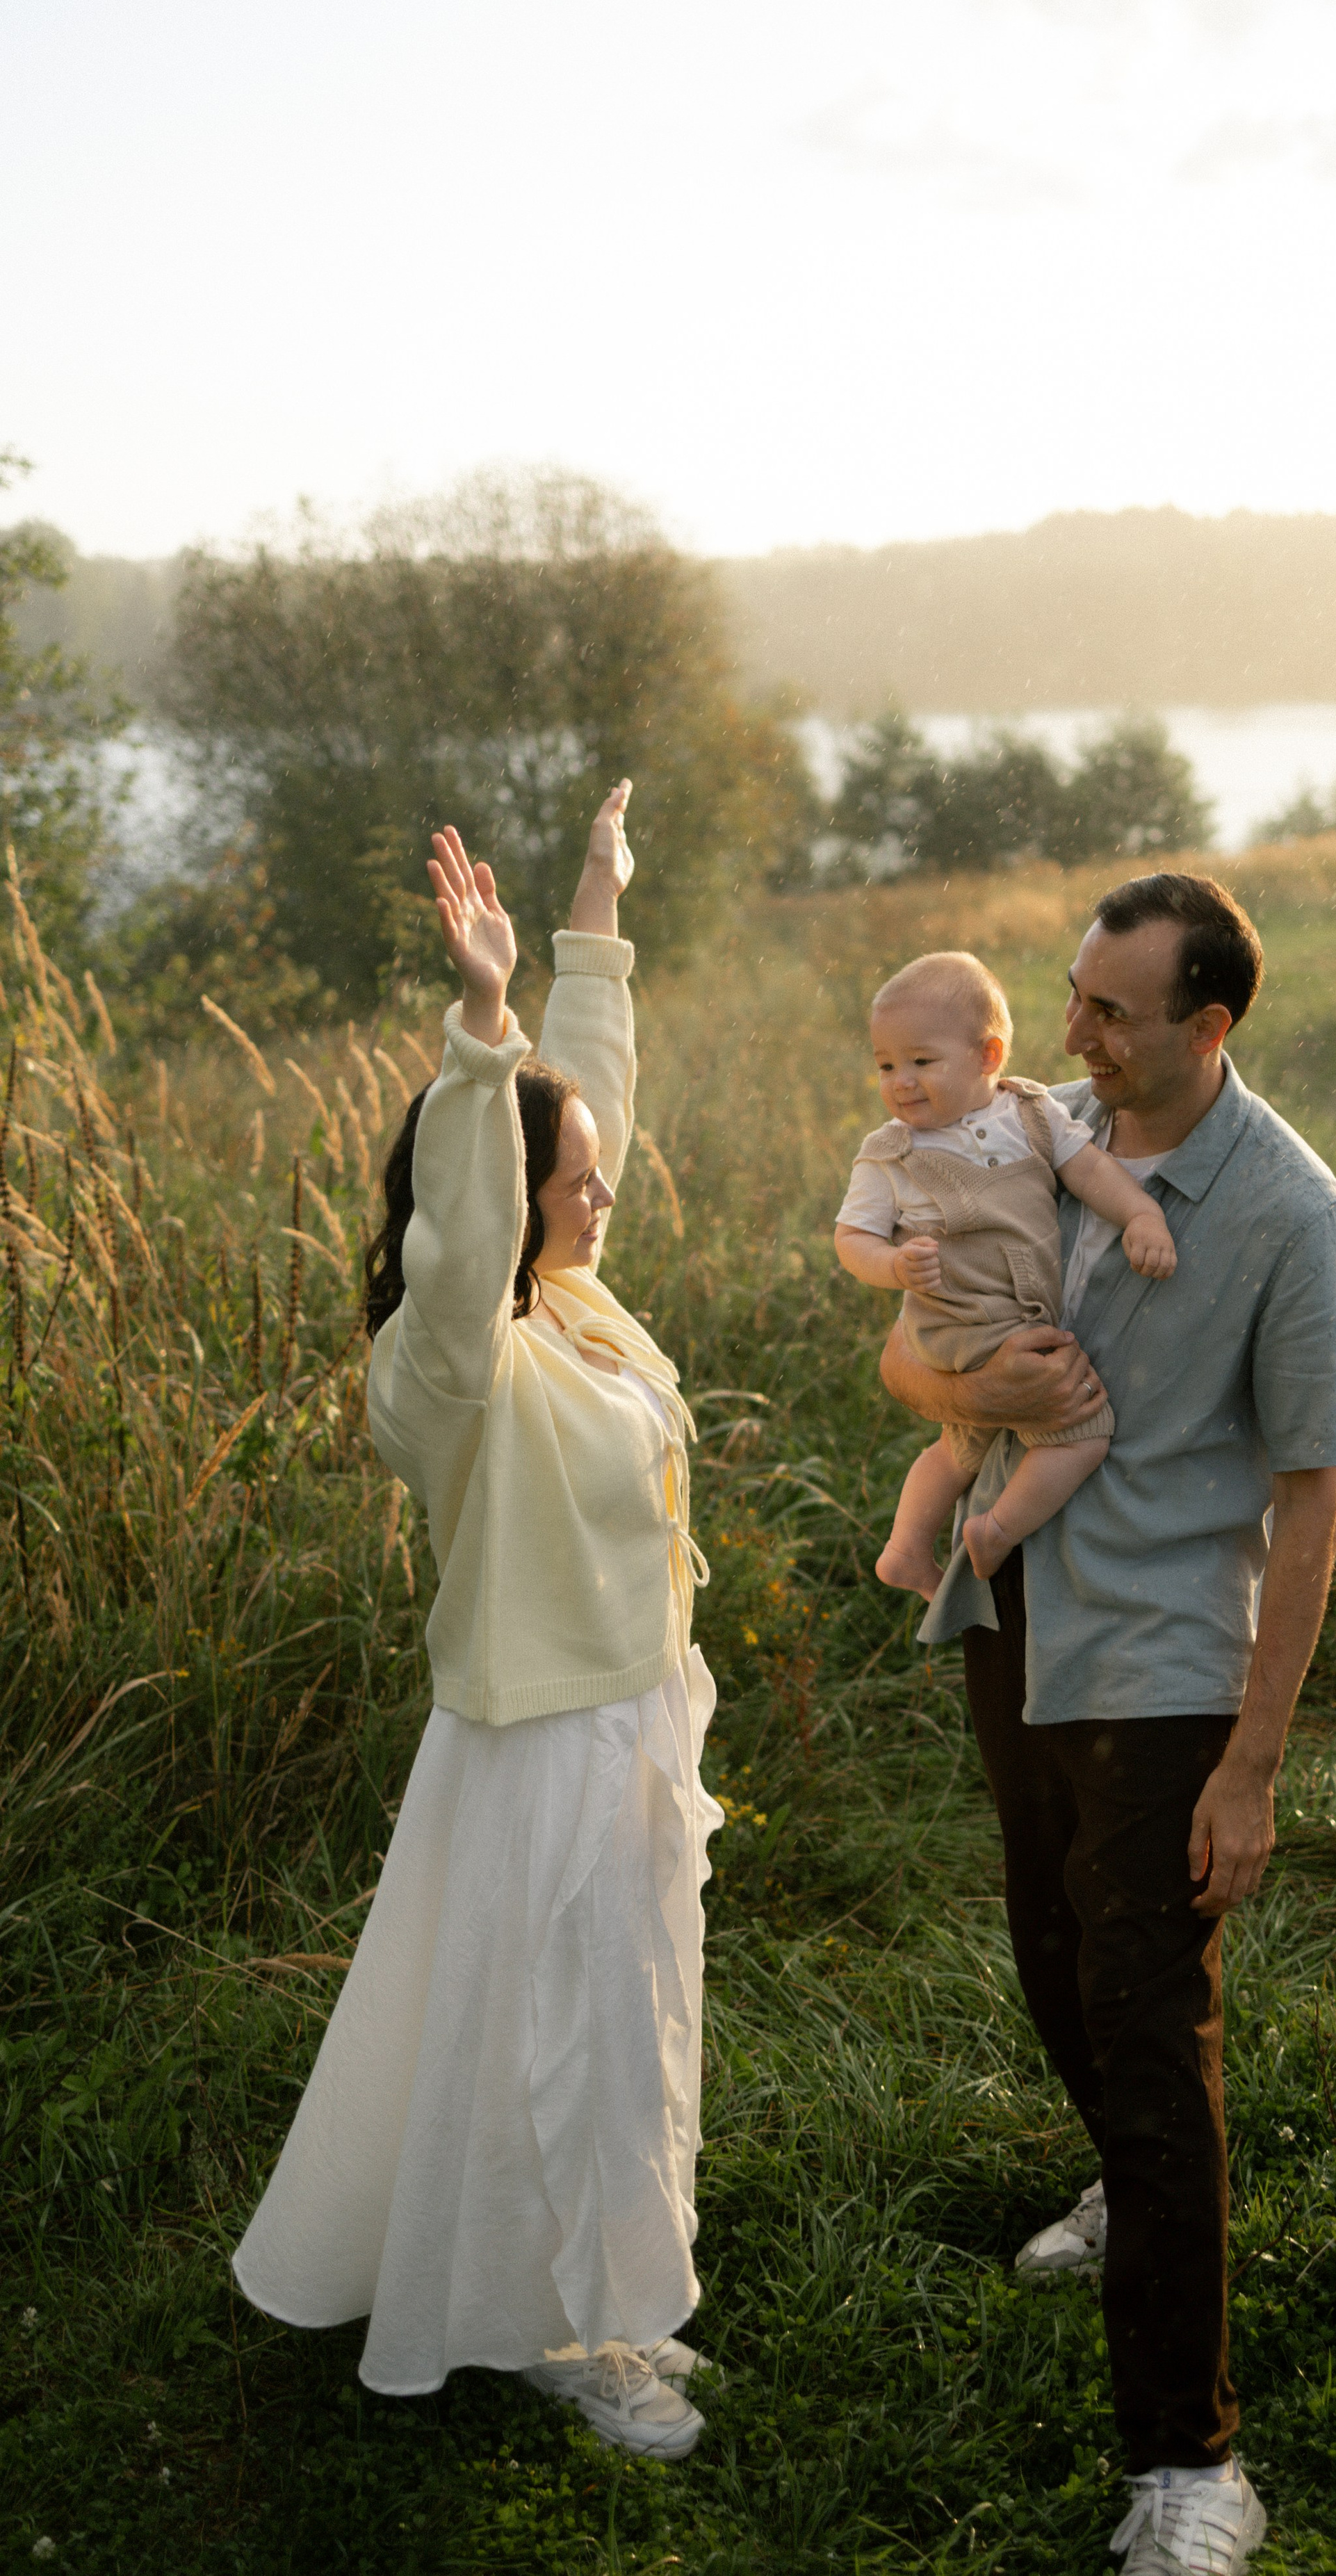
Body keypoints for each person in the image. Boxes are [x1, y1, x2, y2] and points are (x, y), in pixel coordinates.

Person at [234, 785, 724, 2463]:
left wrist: (594, 914)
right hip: (539, 1739)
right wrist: (481, 1026)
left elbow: (601, 1109)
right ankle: (559, 2329)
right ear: (500, 1200)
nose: (600, 1196)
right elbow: (462, 1252)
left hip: (636, 1712)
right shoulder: (453, 1365)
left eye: (587, 1175)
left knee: (628, 2021)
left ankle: (614, 2297)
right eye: (567, 1182)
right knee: (557, 2041)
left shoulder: (576, 1303)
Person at [880, 872, 1336, 2576]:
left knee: (1155, 2036)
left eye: (1108, 1010)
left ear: (1207, 1025)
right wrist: (954, 1391)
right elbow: (913, 1352)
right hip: (1009, 1618)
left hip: (1164, 1661)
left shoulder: (1291, 1215)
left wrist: (1250, 1758)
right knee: (1048, 1950)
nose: (1069, 1032)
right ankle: (1123, 2193)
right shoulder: (1034, 1125)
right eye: (1071, 993)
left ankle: (1188, 2459)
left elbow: (1307, 1503)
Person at [833, 950, 1175, 1595]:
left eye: (921, 1062)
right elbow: (852, 1238)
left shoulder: (1033, 1114)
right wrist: (895, 1266)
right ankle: (996, 1530)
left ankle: (905, 1549)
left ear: (989, 1057)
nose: (900, 1082)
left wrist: (1142, 1218)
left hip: (1012, 1312)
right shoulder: (892, 1153)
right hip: (962, 1317)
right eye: (885, 1065)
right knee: (1084, 1433)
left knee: (960, 1445)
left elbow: (1092, 1171)